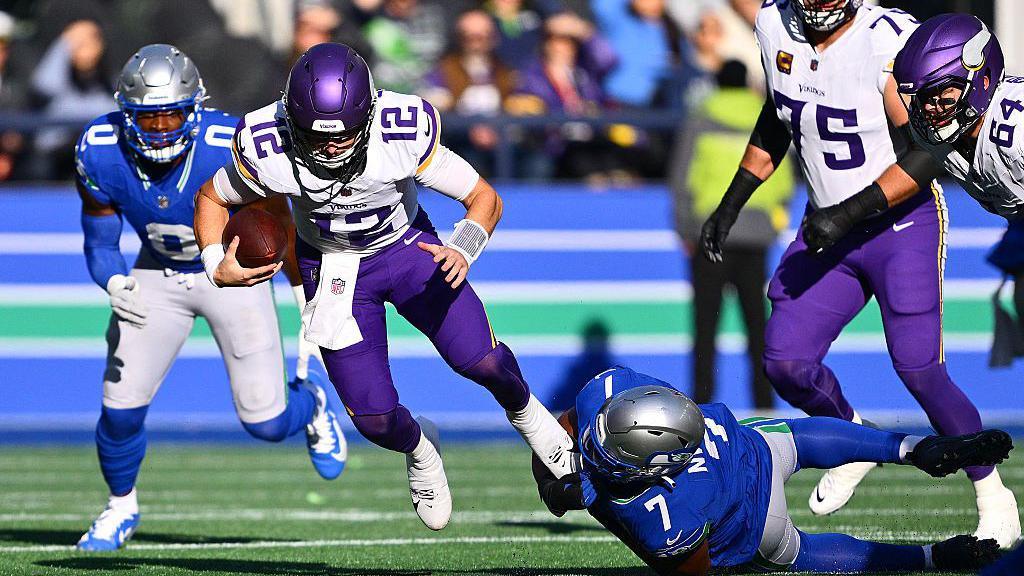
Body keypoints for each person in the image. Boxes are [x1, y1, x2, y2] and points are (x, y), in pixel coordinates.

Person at [193, 42, 575, 531]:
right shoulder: (267, 144)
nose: (331, 148)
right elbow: (211, 197)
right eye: (317, 135)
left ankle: (532, 420)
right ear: (291, 120)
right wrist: (212, 262)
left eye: (343, 135)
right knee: (373, 418)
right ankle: (421, 450)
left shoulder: (401, 128)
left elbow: (483, 198)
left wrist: (462, 248)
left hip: (408, 248)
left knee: (481, 360)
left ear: (369, 114)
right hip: (333, 268)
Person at [699, 0, 1019, 548]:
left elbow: (926, 149)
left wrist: (849, 212)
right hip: (827, 225)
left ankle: (994, 496)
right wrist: (734, 200)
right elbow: (781, 115)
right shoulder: (775, 22)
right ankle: (852, 437)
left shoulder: (889, 37)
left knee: (920, 369)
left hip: (900, 222)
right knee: (785, 361)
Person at [73, 44, 346, 551]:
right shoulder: (100, 147)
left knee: (264, 423)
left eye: (170, 115)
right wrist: (113, 281)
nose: (160, 129)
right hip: (156, 275)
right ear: (125, 114)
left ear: (194, 107)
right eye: (147, 120)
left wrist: (299, 285)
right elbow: (99, 239)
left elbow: (283, 223)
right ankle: (119, 506)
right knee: (119, 408)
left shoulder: (230, 141)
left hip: (235, 272)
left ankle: (310, 405)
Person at [532, 366, 1009, 574]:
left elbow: (692, 568)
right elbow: (569, 425)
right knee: (796, 437)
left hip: (759, 525)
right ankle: (914, 447)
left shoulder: (665, 513)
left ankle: (929, 558)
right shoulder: (617, 392)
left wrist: (578, 497)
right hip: (751, 445)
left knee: (798, 553)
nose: (595, 443)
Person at [671, 59, 793, 410]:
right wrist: (771, 224)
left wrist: (685, 227)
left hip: (709, 233)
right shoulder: (766, 114)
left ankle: (701, 405)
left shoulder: (701, 115)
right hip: (755, 234)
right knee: (758, 326)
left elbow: (682, 176)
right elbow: (783, 177)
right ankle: (764, 405)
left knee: (706, 328)